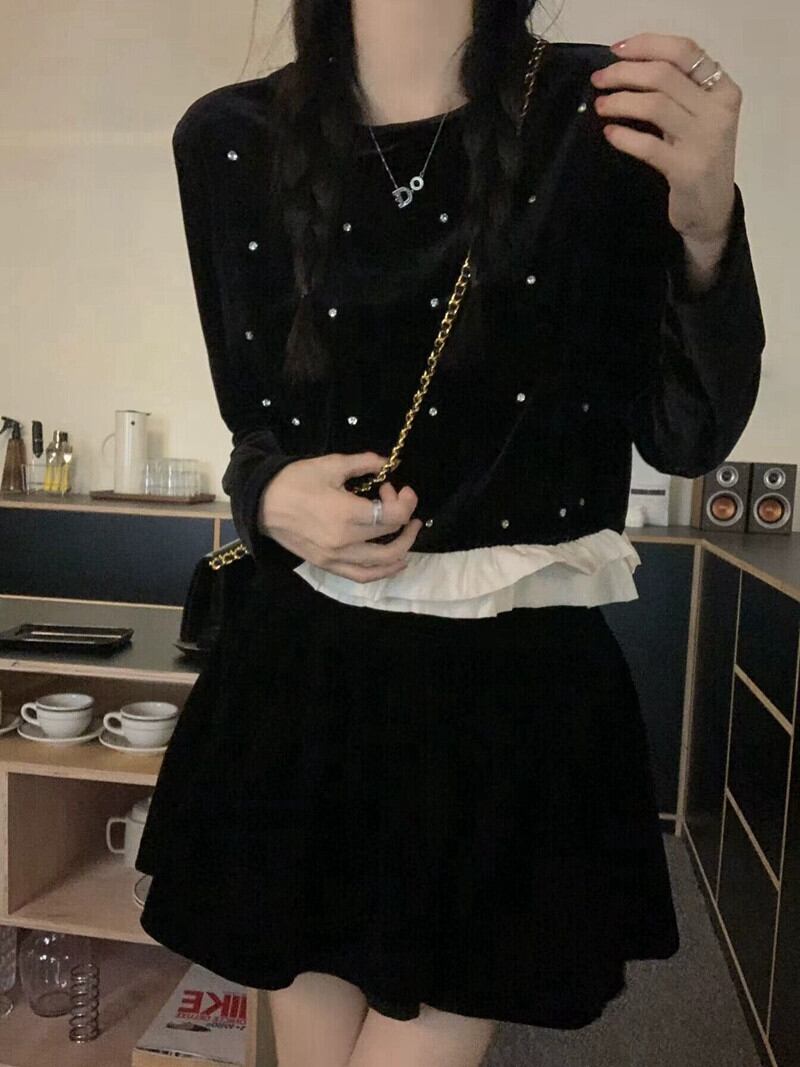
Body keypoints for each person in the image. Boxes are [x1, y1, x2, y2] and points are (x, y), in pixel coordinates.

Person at [135, 2, 766, 1065]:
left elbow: (685, 432)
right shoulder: (228, 138)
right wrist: (267, 495)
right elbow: (259, 423)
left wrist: (706, 223)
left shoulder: (601, 114)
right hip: (302, 671)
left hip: (505, 692)